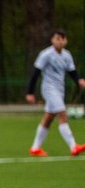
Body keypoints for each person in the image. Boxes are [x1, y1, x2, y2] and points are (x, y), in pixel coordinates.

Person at [25, 28, 85, 157]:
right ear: (52, 40)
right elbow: (35, 73)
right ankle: (73, 146)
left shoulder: (67, 55)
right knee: (62, 114)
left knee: (48, 118)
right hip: (49, 89)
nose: (60, 41)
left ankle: (35, 148)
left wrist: (79, 81)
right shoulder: (46, 54)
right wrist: (30, 92)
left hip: (59, 90)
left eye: (63, 38)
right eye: (58, 38)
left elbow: (72, 72)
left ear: (66, 41)